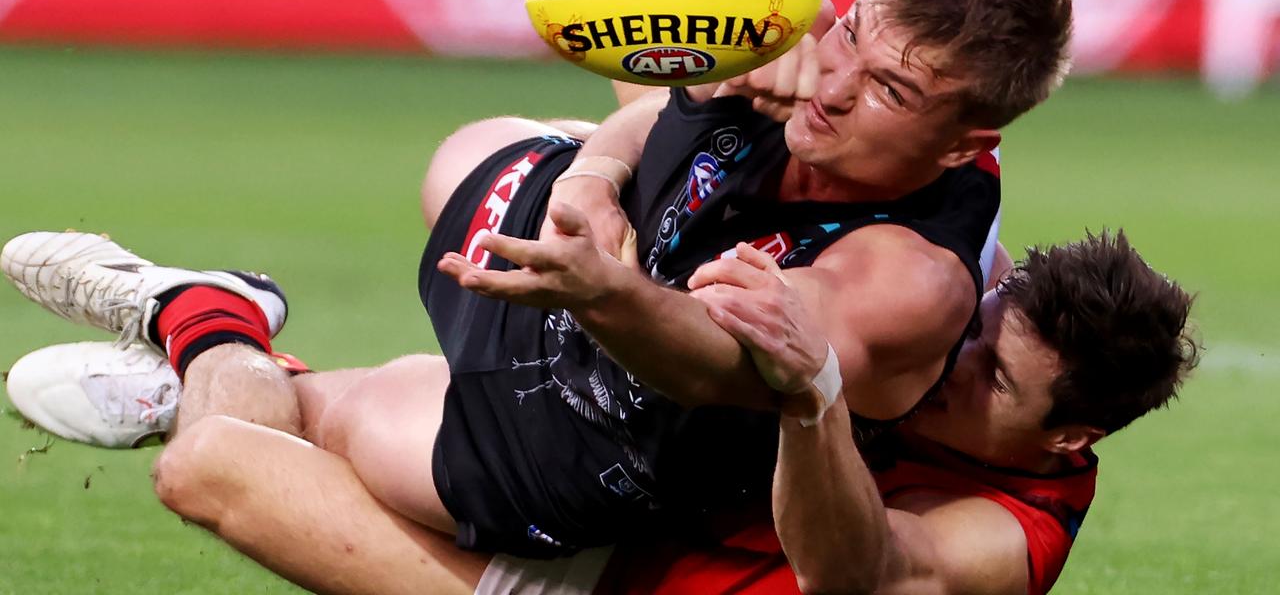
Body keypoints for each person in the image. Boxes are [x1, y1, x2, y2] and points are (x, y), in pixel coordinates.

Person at [2, 0, 1073, 561]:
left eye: (889, 89)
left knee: (225, 454)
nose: (835, 86)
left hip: (582, 440)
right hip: (582, 266)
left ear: (960, 148)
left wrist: (603, 285)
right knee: (475, 148)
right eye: (849, 35)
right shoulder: (791, 55)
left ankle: (209, 325)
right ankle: (240, 356)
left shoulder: (911, 274)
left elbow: (713, 360)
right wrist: (598, 170)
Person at [5, 231, 1198, 595]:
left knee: (220, 456)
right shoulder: (920, 315)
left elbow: (854, 566)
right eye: (976, 331)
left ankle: (208, 325)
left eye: (991, 379)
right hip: (593, 465)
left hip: (584, 580)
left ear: (1066, 437)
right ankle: (220, 329)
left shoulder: (1015, 534)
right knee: (263, 436)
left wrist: (811, 390)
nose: (952, 367)